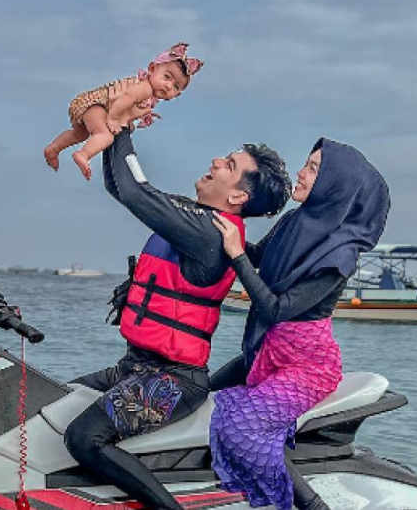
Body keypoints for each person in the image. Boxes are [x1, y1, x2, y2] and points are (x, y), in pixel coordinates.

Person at [63, 126, 292, 510]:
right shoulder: (198, 218)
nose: (215, 162)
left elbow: (135, 191)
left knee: (84, 438)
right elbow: (122, 188)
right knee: (55, 400)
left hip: (171, 381)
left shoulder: (206, 233)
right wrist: (114, 131)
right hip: (134, 368)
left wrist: (121, 123)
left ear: (238, 196)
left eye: (229, 164)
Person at [208, 138, 390, 510]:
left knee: (242, 427)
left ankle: (309, 506)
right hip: (267, 353)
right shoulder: (294, 222)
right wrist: (217, 221)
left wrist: (236, 254)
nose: (301, 173)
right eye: (306, 164)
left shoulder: (340, 256)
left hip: (306, 368)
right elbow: (255, 256)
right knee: (203, 393)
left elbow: (276, 308)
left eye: (313, 169)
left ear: (334, 186)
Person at [44, 42, 203, 180]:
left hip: (86, 104)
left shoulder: (149, 93)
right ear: (152, 69)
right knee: (105, 136)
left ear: (178, 94)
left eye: (176, 86)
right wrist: (113, 118)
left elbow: (128, 107)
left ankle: (54, 148)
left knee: (79, 134)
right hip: (96, 104)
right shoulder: (145, 88)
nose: (168, 86)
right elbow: (127, 97)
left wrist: (128, 121)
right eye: (167, 77)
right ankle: (83, 154)